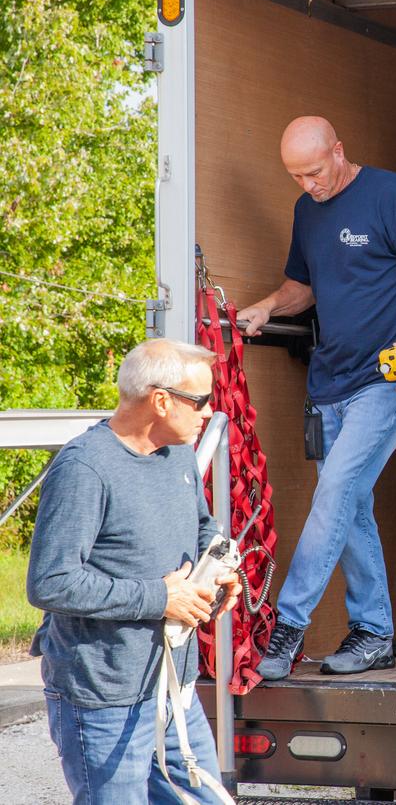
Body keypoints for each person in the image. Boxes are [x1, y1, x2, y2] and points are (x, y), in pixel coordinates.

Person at [244, 116, 396, 679]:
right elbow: (305, 286)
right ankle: (372, 633)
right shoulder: (306, 212)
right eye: (296, 176)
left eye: (314, 172)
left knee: (336, 490)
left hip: (390, 379)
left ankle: (287, 627)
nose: (307, 185)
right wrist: (267, 307)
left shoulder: (394, 195)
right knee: (350, 503)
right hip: (330, 384)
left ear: (339, 151)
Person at [27, 339, 242, 804]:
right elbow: (51, 581)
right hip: (103, 694)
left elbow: (203, 529)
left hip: (173, 689)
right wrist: (160, 599)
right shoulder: (85, 466)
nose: (210, 412)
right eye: (201, 400)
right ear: (161, 400)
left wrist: (221, 570)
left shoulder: (179, 453)